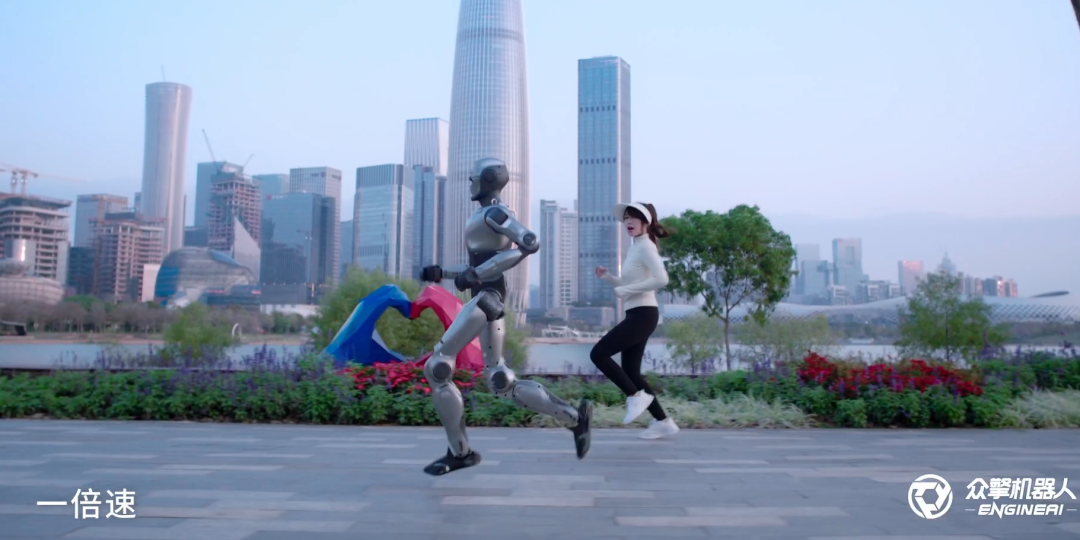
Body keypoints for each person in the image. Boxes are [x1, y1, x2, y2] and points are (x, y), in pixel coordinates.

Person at [417, 157, 592, 476]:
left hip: (487, 297)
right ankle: (574, 418)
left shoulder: (496, 213)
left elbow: (529, 242)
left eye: (474, 178)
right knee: (500, 380)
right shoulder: (485, 215)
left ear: (486, 179)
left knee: (438, 366)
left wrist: (478, 273)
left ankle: (460, 452)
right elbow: (479, 265)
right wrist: (443, 273)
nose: (470, 183)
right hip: (489, 298)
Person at [591, 201, 680, 440]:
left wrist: (625, 291)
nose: (628, 222)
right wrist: (609, 278)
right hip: (637, 313)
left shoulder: (646, 247)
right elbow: (630, 283)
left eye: (633, 217)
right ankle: (663, 422)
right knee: (631, 371)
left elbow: (662, 279)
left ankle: (635, 396)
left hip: (644, 314)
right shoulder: (635, 248)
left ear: (645, 222)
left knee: (598, 354)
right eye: (626, 218)